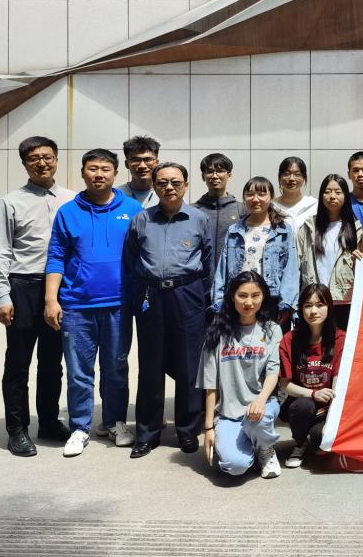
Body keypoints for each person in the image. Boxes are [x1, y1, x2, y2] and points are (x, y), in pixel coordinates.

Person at [44, 149, 143, 457]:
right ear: (83, 173)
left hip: (119, 304)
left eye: (105, 169)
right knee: (78, 372)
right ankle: (80, 427)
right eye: (92, 169)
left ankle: (114, 422)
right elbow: (56, 256)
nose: (99, 174)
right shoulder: (68, 212)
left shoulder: (133, 208)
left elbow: (143, 254)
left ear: (115, 174)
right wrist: (51, 299)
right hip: (76, 305)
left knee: (116, 368)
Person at [0, 136, 75, 456]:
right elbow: (0, 252)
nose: (42, 163)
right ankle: (17, 429)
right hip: (23, 286)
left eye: (48, 157)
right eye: (34, 159)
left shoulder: (71, 199)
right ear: (25, 164)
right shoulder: (9, 202)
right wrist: (2, 296)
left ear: (56, 159)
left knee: (53, 362)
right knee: (18, 363)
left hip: (60, 289)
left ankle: (49, 422)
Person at [124, 162, 213, 459]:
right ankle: (147, 433)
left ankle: (188, 430)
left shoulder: (199, 219)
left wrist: (203, 298)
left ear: (186, 185)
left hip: (188, 294)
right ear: (154, 186)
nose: (169, 187)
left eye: (175, 182)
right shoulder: (142, 219)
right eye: (162, 182)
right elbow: (130, 260)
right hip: (150, 294)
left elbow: (209, 262)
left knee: (189, 365)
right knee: (151, 365)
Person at [199, 271, 283, 479]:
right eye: (242, 295)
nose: (249, 302)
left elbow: (273, 371)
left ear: (263, 297)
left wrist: (261, 400)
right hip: (229, 413)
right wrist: (209, 428)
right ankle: (248, 443)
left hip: (262, 405)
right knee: (235, 466)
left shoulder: (272, 330)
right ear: (232, 297)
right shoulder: (217, 332)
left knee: (258, 420)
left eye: (255, 295)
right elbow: (211, 384)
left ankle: (264, 449)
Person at [212, 177, 299, 323]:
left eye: (262, 194)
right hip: (240, 300)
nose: (255, 199)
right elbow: (222, 268)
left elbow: (291, 268)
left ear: (271, 197)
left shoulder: (283, 230)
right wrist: (218, 300)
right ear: (244, 197)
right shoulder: (234, 230)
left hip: (272, 300)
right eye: (250, 194)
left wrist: (287, 302)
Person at [279, 284, 346, 468]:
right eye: (308, 305)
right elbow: (284, 385)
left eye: (320, 305)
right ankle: (300, 443)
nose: (313, 311)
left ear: (329, 307)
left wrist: (330, 424)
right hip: (301, 404)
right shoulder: (289, 340)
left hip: (328, 409)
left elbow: (338, 382)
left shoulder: (340, 338)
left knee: (320, 444)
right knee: (303, 405)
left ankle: (315, 437)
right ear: (301, 309)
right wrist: (313, 394)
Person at [296, 174, 363, 330]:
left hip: (344, 299)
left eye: (338, 192)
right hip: (314, 299)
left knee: (341, 341)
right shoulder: (308, 227)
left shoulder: (356, 229)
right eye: (327, 192)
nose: (332, 196)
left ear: (346, 196)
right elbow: (297, 264)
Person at [193, 153, 245, 285]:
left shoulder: (242, 210)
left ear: (229, 175)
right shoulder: (193, 211)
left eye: (220, 171)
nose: (214, 176)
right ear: (203, 176)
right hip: (200, 284)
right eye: (209, 171)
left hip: (234, 284)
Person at [274, 156, 318, 227]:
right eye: (287, 174)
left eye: (297, 174)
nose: (291, 178)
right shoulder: (272, 206)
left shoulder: (313, 205)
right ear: (279, 178)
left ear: (304, 178)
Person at [118, 135, 160, 207]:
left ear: (156, 163)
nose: (142, 166)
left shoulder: (166, 194)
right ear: (127, 164)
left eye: (148, 160)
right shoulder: (115, 195)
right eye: (136, 160)